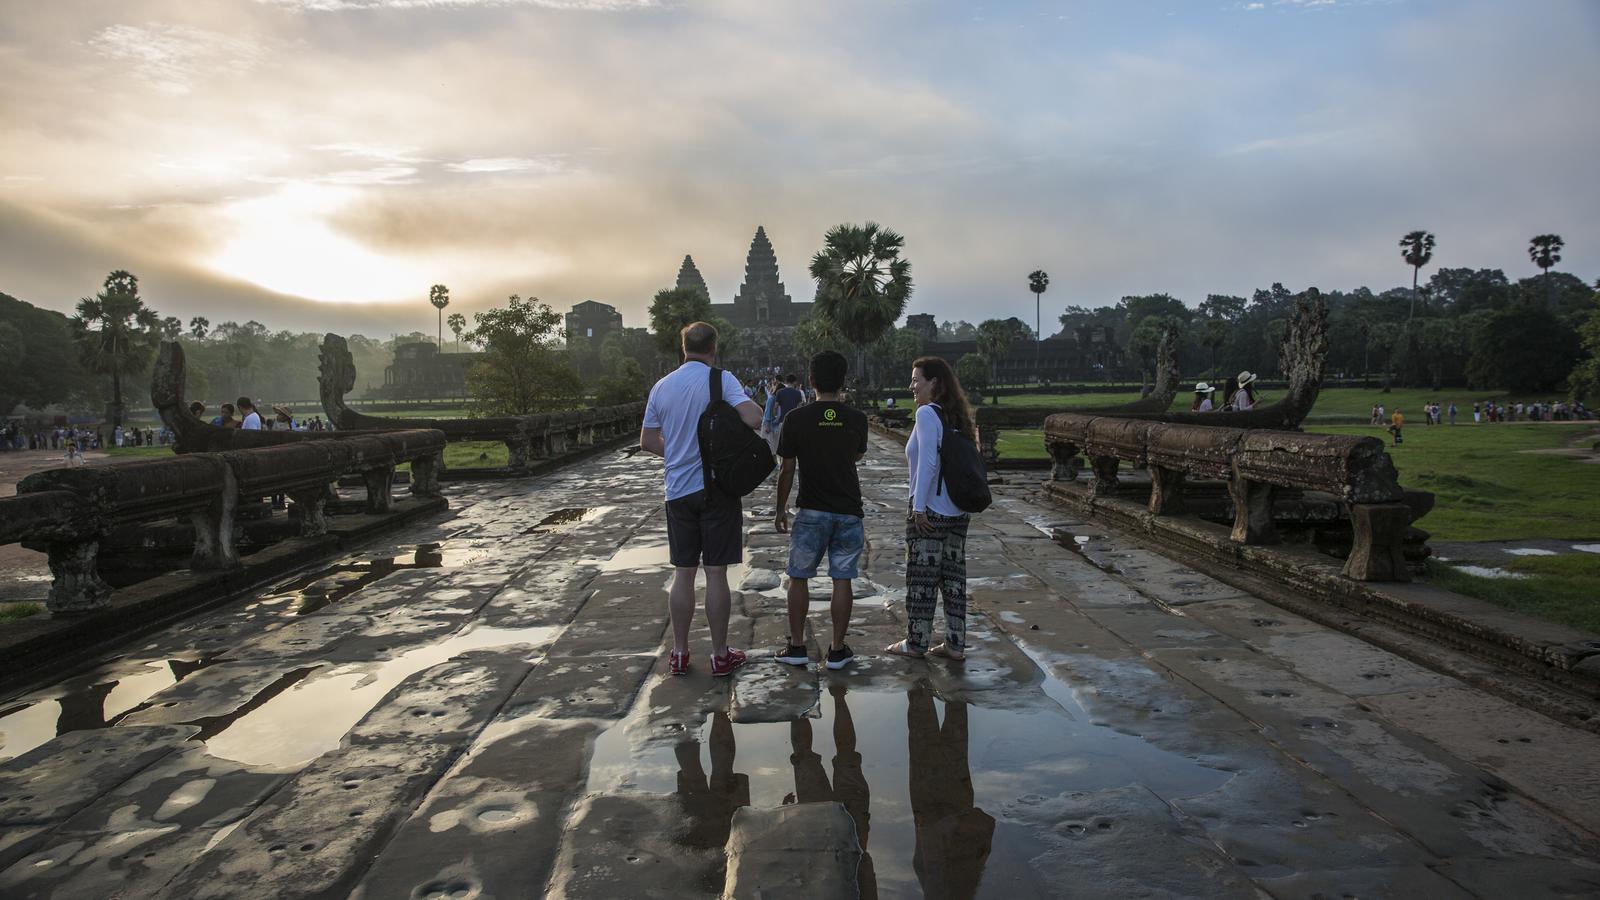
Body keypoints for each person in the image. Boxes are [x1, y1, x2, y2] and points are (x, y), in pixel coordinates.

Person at [639, 321, 763, 677]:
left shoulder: (661, 387)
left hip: (677, 491)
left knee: (683, 573)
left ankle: (678, 653)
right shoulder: (720, 380)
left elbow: (647, 441)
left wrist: (678, 454)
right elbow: (754, 418)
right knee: (716, 573)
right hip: (715, 491)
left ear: (683, 348)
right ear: (713, 348)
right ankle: (721, 654)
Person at [773, 350, 869, 671]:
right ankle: (838, 650)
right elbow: (856, 456)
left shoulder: (797, 419)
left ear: (810, 380)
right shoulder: (857, 419)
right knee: (842, 579)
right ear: (843, 381)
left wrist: (780, 509)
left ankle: (798, 646)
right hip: (848, 510)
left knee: (798, 577)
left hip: (811, 511)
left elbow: (787, 469)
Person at [887, 356, 976, 661]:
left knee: (922, 578)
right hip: (958, 511)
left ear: (934, 383)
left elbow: (927, 464)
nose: (911, 386)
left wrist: (919, 509)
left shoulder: (926, 413)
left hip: (930, 511)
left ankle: (916, 643)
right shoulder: (957, 416)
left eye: (916, 380)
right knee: (953, 580)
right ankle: (955, 644)